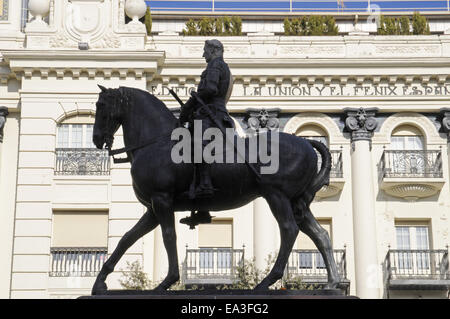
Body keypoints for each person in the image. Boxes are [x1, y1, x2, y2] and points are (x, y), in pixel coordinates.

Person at [179, 39, 234, 226]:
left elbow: (210, 88)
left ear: (214, 50)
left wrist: (190, 103)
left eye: (205, 51)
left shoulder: (215, 65)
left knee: (196, 145)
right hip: (213, 113)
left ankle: (205, 183)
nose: (204, 55)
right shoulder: (220, 66)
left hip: (212, 115)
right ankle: (201, 208)